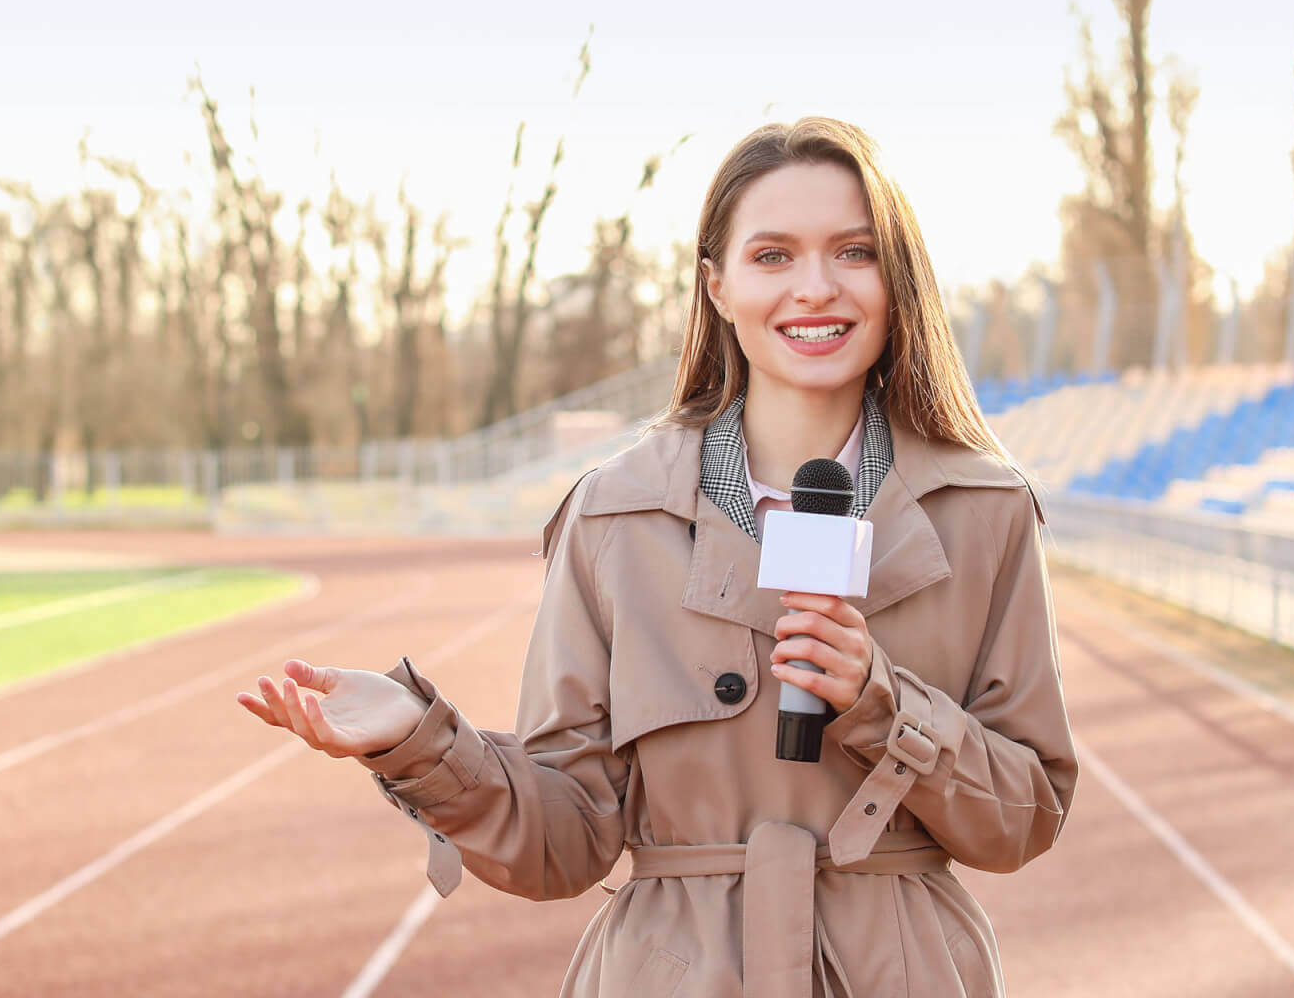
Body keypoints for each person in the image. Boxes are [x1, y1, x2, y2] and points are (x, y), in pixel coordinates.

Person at [238, 116, 1078, 997]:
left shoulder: (984, 511)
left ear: (895, 276)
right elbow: (564, 841)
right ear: (717, 286)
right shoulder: (615, 514)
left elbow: (1023, 820)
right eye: (773, 255)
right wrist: (417, 739)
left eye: (854, 252)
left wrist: (883, 702)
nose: (816, 288)